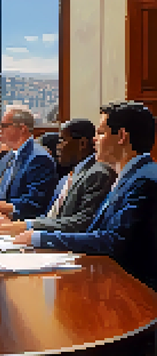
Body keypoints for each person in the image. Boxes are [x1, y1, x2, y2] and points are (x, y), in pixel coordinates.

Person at [13, 102, 157, 290]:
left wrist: (40, 237)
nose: (94, 140)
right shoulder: (130, 175)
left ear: (122, 136)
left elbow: (113, 242)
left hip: (134, 294)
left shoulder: (144, 179)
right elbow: (97, 231)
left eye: (101, 133)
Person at [0, 118, 117, 235]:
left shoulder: (98, 174)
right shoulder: (67, 176)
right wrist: (13, 218)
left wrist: (27, 226)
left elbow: (82, 223)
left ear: (82, 143)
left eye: (62, 140)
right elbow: (50, 215)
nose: (58, 146)